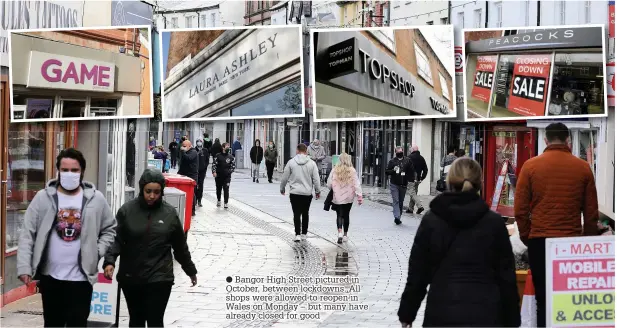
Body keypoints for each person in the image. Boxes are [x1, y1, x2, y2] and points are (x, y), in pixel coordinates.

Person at [398, 157, 520, 327]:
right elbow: (506, 277)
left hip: (441, 312)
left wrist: (407, 313)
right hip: (486, 314)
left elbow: (418, 273)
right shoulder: (494, 224)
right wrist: (513, 320)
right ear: (479, 183)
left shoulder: (432, 220)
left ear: (449, 182)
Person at [17, 148, 117, 327]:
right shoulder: (43, 198)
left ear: (82, 172)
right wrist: (24, 267)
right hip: (51, 278)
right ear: (58, 171)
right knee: (53, 323)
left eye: (74, 170)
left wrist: (97, 251)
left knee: (77, 323)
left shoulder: (96, 199)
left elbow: (110, 229)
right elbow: (27, 233)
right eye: (64, 170)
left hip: (82, 279)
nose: (69, 174)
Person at [514, 123, 599, 328]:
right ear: (568, 140)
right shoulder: (583, 168)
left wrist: (528, 237)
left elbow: (520, 211)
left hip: (540, 242)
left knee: (543, 299)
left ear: (546, 140)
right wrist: (587, 243)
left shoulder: (530, 166)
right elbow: (591, 214)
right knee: (568, 298)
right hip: (570, 244)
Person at [103, 169, 197, 328]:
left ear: (162, 192)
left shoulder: (170, 213)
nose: (152, 196)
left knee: (155, 320)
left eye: (156, 192)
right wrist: (109, 261)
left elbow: (180, 246)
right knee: (136, 320)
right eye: (148, 191)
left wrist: (190, 270)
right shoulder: (127, 211)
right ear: (142, 189)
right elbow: (116, 239)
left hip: (160, 277)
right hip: (132, 276)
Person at [280, 143, 321, 242]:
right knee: (305, 213)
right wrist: (317, 191)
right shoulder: (312, 163)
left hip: (295, 193)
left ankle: (297, 234)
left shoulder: (291, 162)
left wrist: (282, 188)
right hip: (307, 193)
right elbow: (316, 179)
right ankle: (304, 234)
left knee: (296, 213)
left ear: (297, 150)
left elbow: (285, 177)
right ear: (306, 151)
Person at [327, 153, 363, 244]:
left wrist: (333, 188)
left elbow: (329, 183)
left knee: (339, 214)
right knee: (346, 214)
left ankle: (339, 232)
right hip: (348, 197)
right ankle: (345, 235)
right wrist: (359, 195)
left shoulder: (335, 170)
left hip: (337, 196)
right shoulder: (352, 170)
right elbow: (356, 184)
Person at [386, 146, 415, 225]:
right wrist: (393, 170)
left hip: (403, 184)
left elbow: (411, 171)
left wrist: (411, 180)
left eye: (401, 152)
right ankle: (397, 217)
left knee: (401, 201)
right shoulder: (392, 161)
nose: (399, 153)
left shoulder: (407, 160)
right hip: (394, 184)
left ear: (403, 151)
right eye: (398, 152)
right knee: (396, 200)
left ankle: (399, 216)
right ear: (396, 153)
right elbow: (387, 171)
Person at [177, 140, 199, 216]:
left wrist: (183, 152)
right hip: (184, 174)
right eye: (182, 145)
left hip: (192, 175)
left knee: (192, 193)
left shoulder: (193, 152)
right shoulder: (184, 152)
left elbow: (188, 159)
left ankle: (192, 210)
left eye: (184, 146)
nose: (183, 147)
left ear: (189, 146)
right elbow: (182, 163)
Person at [212, 142, 236, 209]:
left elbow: (233, 166)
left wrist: (229, 172)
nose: (228, 147)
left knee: (226, 189)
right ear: (223, 147)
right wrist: (214, 172)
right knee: (218, 189)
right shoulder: (218, 155)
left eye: (228, 146)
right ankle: (219, 200)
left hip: (227, 177)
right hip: (219, 176)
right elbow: (214, 164)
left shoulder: (231, 157)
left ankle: (226, 202)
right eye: (226, 146)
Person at [406, 144, 427, 215]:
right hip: (418, 179)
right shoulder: (422, 158)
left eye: (411, 149)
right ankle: (410, 208)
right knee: (414, 193)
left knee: (412, 193)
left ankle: (420, 206)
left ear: (412, 150)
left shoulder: (409, 158)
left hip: (411, 179)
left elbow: (406, 168)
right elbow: (425, 169)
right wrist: (422, 178)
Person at [195, 139, 210, 207]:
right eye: (198, 142)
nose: (199, 143)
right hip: (195, 171)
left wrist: (205, 167)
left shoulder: (205, 150)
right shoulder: (194, 150)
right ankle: (194, 200)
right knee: (195, 185)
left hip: (202, 171)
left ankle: (199, 200)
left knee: (201, 185)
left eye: (200, 142)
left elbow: (207, 160)